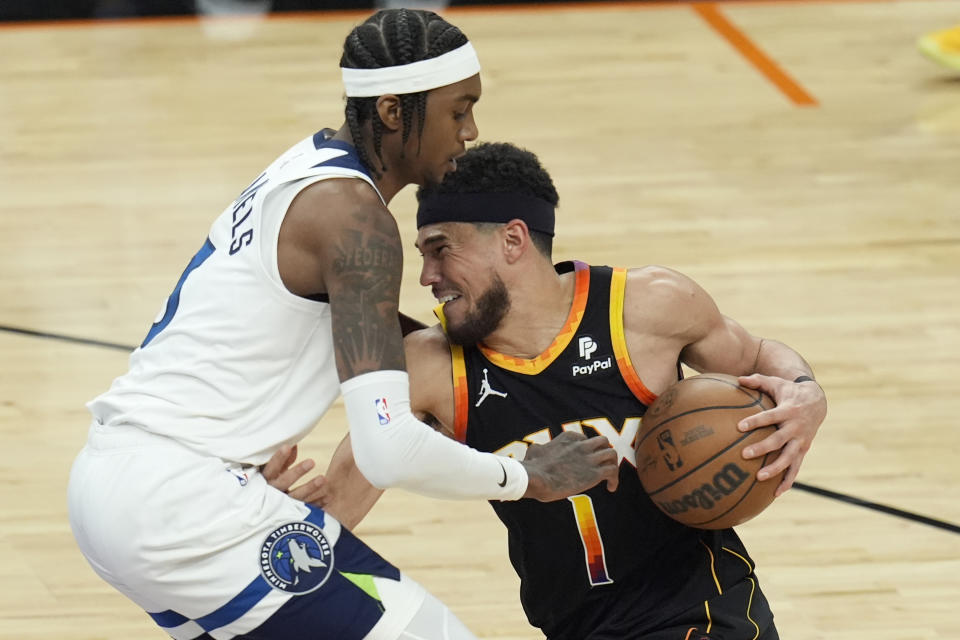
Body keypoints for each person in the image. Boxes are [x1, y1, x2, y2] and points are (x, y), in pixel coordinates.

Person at [66, 12, 619, 640]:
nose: (470, 132)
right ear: (391, 111)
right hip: (181, 501)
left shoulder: (311, 169)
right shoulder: (354, 219)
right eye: (457, 110)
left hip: (128, 486)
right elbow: (388, 449)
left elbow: (392, 333)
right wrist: (528, 477)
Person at [269, 142, 828, 639]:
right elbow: (335, 509)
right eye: (422, 254)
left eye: (441, 249)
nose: (426, 277)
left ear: (512, 240)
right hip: (574, 625)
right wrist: (266, 514)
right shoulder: (432, 370)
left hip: (702, 611)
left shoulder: (644, 308)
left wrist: (805, 394)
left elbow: (756, 359)